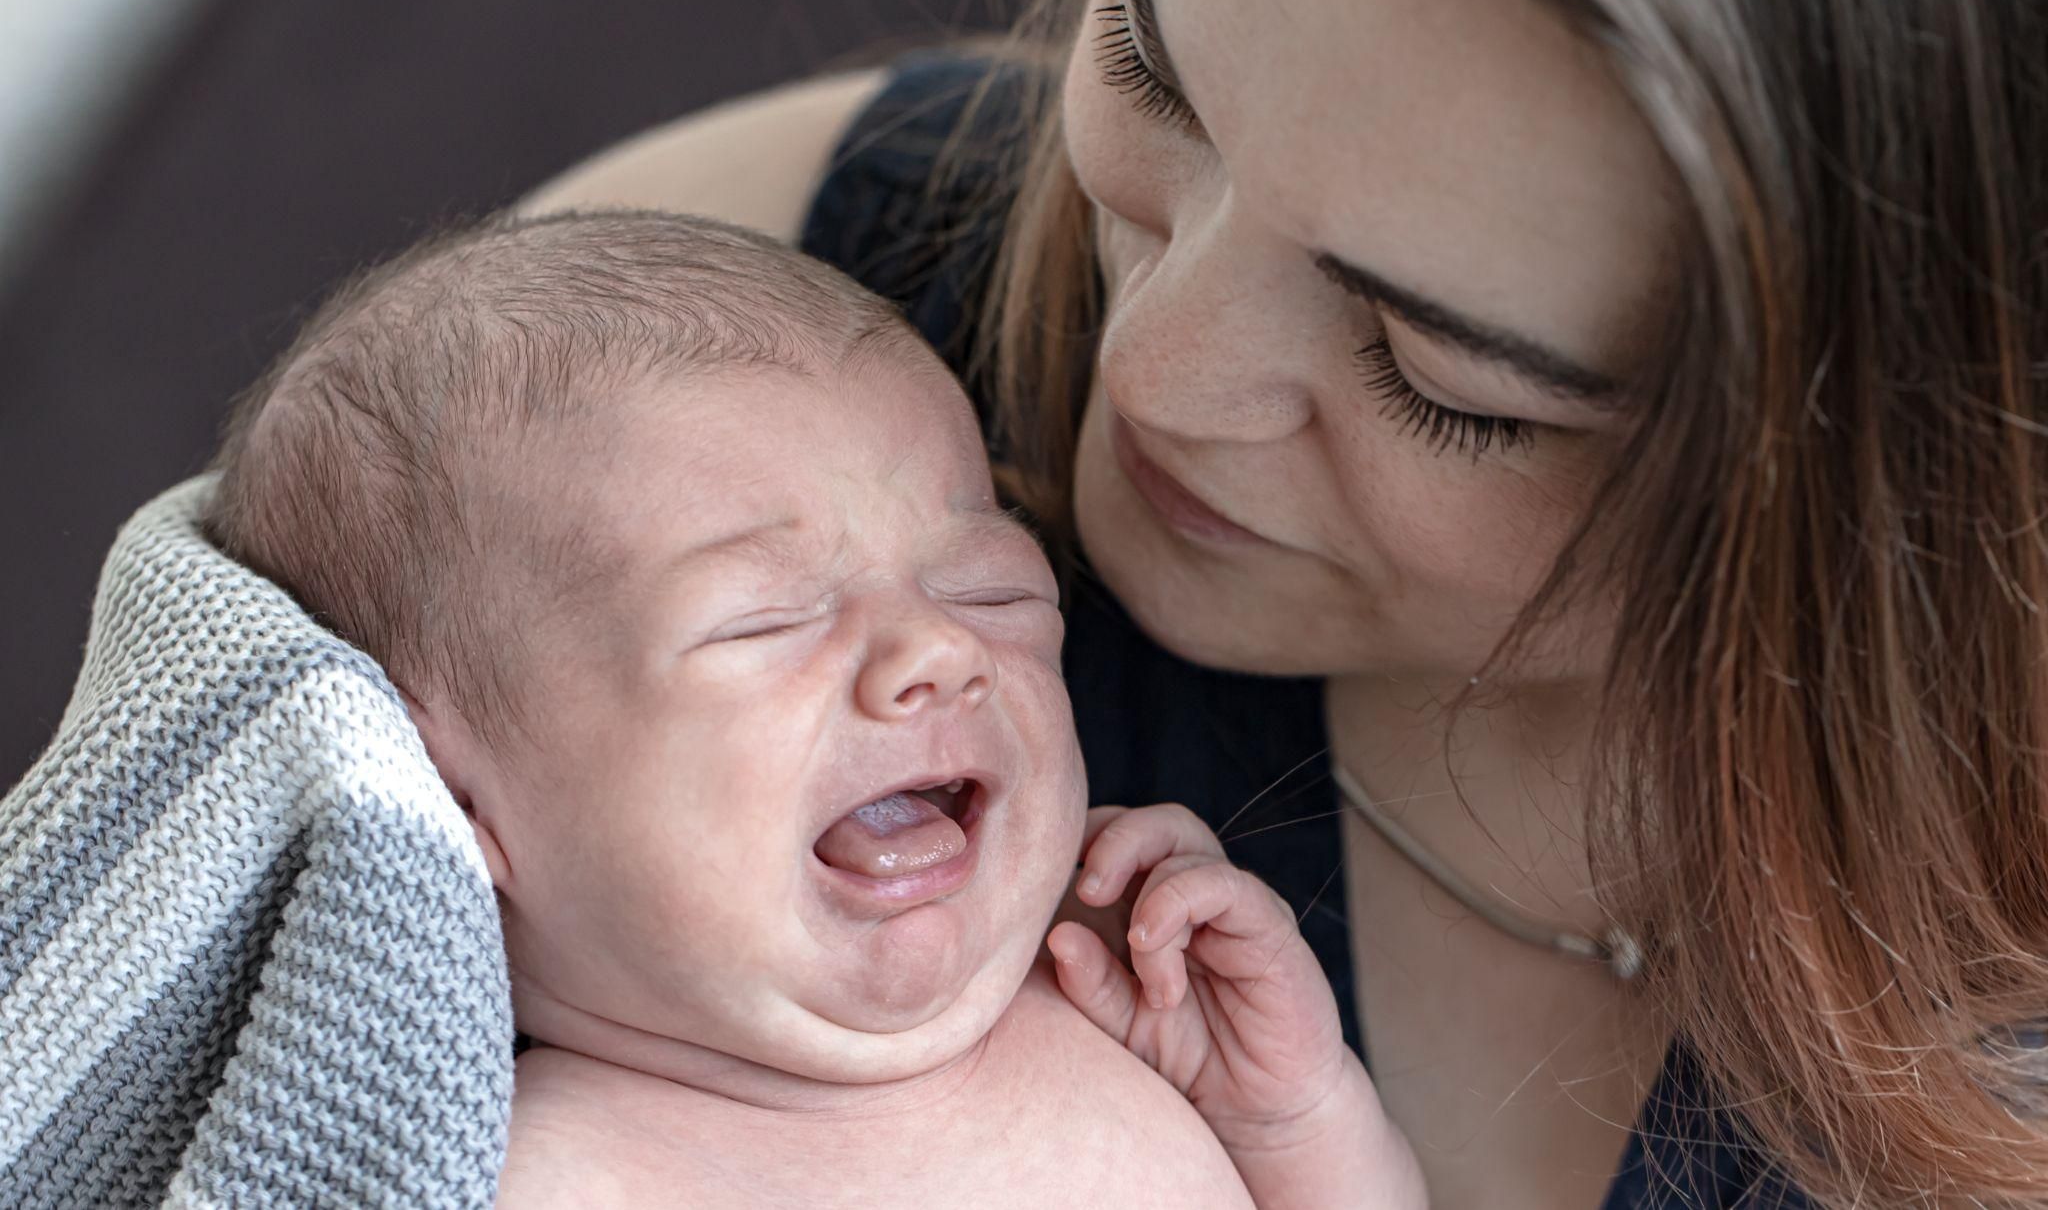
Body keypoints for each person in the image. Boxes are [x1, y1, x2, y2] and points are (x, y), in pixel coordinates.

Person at [525, 0, 2048, 1205]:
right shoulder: (667, 376)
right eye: (1147, 60)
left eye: (1445, 381)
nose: (1149, 377)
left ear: (1915, 482)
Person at [202, 210, 1426, 1208]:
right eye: (765, 619)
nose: (938, 650)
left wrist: (1294, 1117)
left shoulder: (1114, 1029)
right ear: (449, 801)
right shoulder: (542, 1180)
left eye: (987, 585)